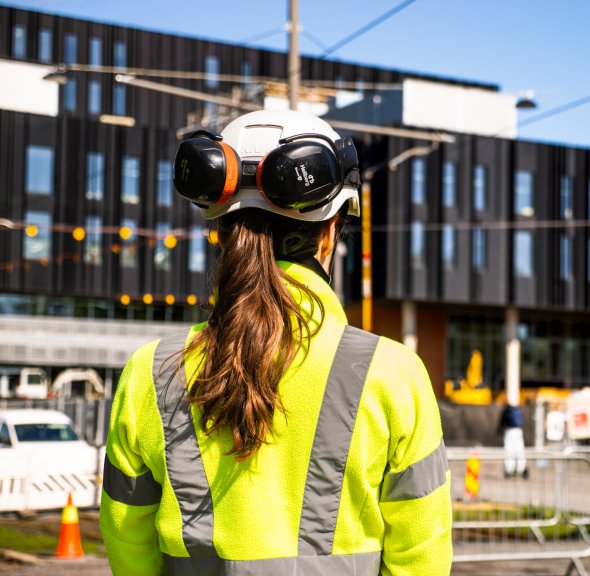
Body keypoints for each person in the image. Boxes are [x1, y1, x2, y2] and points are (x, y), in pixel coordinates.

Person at [99, 109, 453, 575]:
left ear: (220, 229)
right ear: (330, 232)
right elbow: (421, 555)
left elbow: (127, 538)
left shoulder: (152, 371)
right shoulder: (392, 374)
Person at [498, 403, 527, 479]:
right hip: (519, 431)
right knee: (520, 450)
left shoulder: (506, 410)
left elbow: (502, 422)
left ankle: (509, 470)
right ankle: (521, 469)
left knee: (509, 450)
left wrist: (499, 430)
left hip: (509, 431)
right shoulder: (519, 410)